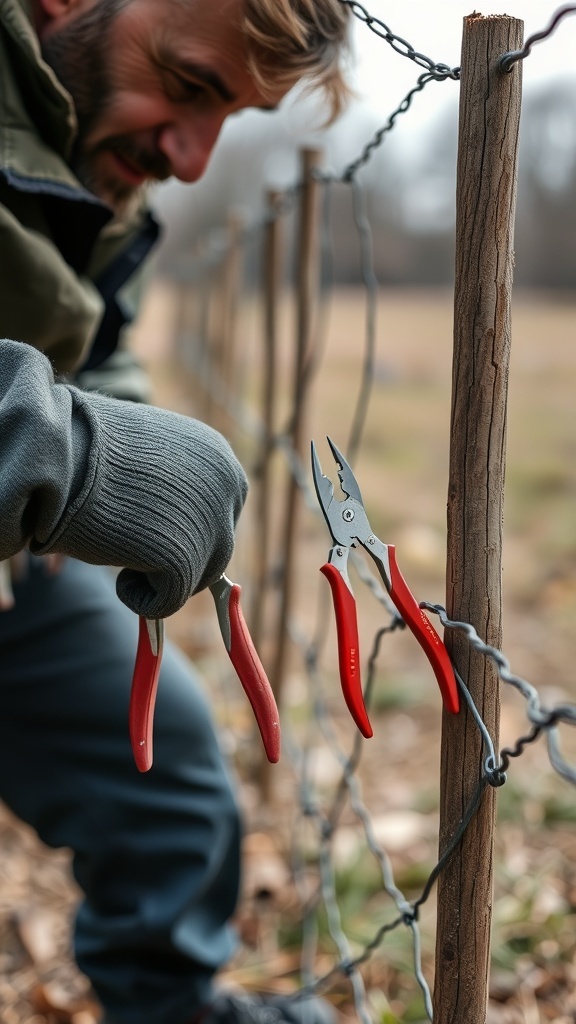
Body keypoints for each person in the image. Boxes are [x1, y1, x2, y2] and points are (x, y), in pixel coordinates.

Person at [0, 1, 351, 1022]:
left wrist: (119, 430)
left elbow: (85, 344)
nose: (194, 161)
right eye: (192, 84)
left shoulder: (85, 146)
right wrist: (70, 455)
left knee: (175, 767)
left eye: (229, 116)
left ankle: (170, 1003)